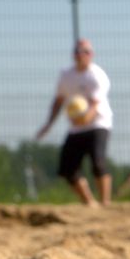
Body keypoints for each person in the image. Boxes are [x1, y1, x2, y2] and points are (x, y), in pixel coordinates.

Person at [36, 38, 114, 207]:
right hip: (76, 128)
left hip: (98, 124)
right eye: (78, 51)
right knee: (67, 169)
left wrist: (84, 119)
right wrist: (48, 124)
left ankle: (105, 202)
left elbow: (94, 105)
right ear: (73, 55)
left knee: (98, 163)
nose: (81, 55)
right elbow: (59, 101)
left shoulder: (97, 76)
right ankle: (89, 203)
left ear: (91, 55)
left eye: (85, 51)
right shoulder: (66, 75)